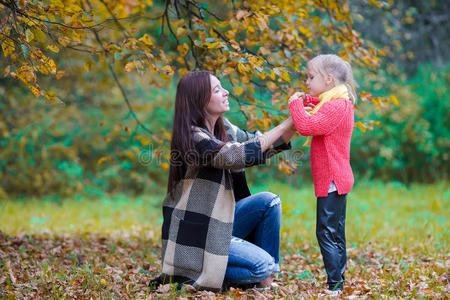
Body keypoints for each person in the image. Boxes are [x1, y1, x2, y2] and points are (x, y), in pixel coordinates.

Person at [150, 70, 297, 291]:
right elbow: (234, 155)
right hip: (198, 237)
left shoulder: (224, 128)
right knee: (262, 265)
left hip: (222, 224)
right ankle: (249, 274)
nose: (226, 92)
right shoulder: (192, 137)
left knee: (269, 201)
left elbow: (261, 144)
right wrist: (288, 122)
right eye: (217, 89)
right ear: (199, 99)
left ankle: (262, 279)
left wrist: (299, 120)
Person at [288, 54, 356, 293]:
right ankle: (338, 281)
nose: (307, 81)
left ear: (328, 79)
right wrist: (306, 99)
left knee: (326, 232)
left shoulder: (336, 106)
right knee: (335, 231)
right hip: (336, 179)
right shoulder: (336, 102)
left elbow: (306, 126)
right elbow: (318, 109)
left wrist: (295, 104)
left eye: (310, 76)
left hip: (332, 180)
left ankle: (335, 284)